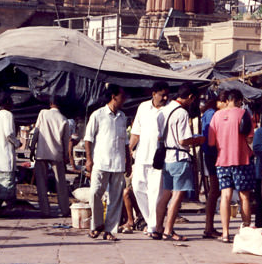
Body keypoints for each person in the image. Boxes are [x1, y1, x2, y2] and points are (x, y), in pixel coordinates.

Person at [153, 83, 204, 242]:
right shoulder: (181, 113)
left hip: (167, 157)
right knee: (177, 195)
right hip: (179, 157)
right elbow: (183, 140)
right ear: (190, 97)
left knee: (165, 194)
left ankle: (158, 228)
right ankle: (168, 230)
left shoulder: (165, 109)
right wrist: (198, 139)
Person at [84, 83, 131, 241]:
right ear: (113, 97)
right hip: (101, 162)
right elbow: (88, 139)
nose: (124, 99)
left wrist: (128, 163)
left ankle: (109, 230)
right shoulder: (97, 115)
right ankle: (96, 225)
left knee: (115, 199)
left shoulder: (122, 117)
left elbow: (125, 143)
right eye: (122, 96)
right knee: (95, 193)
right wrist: (89, 160)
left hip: (118, 164)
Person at [208, 88, 254, 243]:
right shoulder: (244, 114)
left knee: (225, 196)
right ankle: (246, 230)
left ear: (227, 100)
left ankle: (226, 233)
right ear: (240, 100)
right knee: (244, 196)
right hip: (242, 160)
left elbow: (211, 142)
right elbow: (249, 138)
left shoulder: (216, 116)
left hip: (222, 161)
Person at [128, 82, 169, 237]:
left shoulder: (169, 109)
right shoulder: (143, 107)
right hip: (141, 156)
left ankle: (153, 226)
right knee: (137, 188)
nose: (164, 98)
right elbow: (136, 133)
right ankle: (150, 221)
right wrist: (128, 150)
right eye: (161, 95)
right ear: (153, 94)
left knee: (155, 193)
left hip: (159, 159)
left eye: (166, 95)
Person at [30, 97, 71, 218]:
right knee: (61, 183)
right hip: (56, 154)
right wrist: (65, 156)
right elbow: (65, 141)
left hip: (42, 152)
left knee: (42, 183)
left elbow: (36, 132)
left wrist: (32, 148)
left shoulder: (43, 113)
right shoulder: (64, 119)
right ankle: (64, 210)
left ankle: (45, 211)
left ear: (51, 103)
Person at [200, 91, 225, 239]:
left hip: (211, 154)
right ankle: (209, 227)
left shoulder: (209, 114)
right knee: (214, 191)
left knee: (215, 191)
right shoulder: (211, 114)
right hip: (212, 155)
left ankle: (209, 226)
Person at [0, 91, 18, 215]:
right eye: (11, 101)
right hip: (4, 159)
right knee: (6, 186)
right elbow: (9, 134)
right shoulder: (7, 115)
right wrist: (17, 143)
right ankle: (3, 208)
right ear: (6, 103)